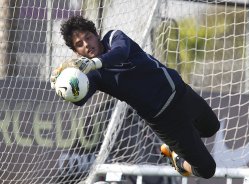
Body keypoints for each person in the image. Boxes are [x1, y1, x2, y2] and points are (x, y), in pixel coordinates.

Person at [50, 15, 220, 179]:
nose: (87, 44)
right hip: (165, 120)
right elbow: (80, 100)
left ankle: (183, 145)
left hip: (181, 94)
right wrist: (62, 89)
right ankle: (175, 157)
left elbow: (121, 53)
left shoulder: (113, 38)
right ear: (76, 52)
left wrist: (95, 63)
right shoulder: (93, 75)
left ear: (96, 35)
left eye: (88, 37)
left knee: (212, 127)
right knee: (207, 170)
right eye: (79, 44)